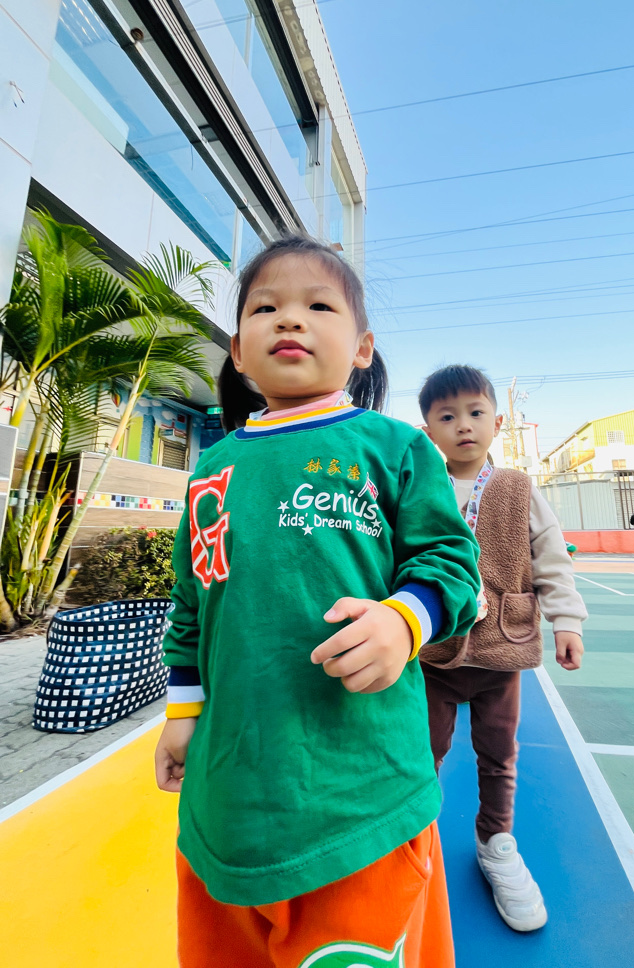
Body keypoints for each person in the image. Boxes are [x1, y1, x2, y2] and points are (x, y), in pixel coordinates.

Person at [154, 238, 482, 968]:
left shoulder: (395, 448)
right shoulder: (212, 466)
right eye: (266, 308)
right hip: (224, 803)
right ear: (238, 352)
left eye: (318, 306)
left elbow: (453, 563)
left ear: (362, 347)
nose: (290, 319)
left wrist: (403, 620)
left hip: (361, 800)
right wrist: (181, 716)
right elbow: (190, 603)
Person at [417, 365, 587, 932]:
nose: (463, 425)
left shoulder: (517, 487)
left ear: (497, 421)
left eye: (475, 412)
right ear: (429, 430)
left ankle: (496, 842)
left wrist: (567, 621)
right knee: (422, 751)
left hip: (501, 649)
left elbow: (551, 558)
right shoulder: (420, 486)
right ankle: (413, 839)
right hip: (433, 653)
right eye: (447, 416)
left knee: (498, 754)